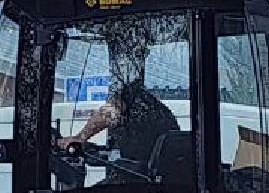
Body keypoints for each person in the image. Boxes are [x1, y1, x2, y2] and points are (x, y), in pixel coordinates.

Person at [56, 35, 180, 180]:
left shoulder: (134, 99)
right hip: (156, 179)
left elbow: (113, 110)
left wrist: (80, 137)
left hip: (140, 181)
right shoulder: (156, 108)